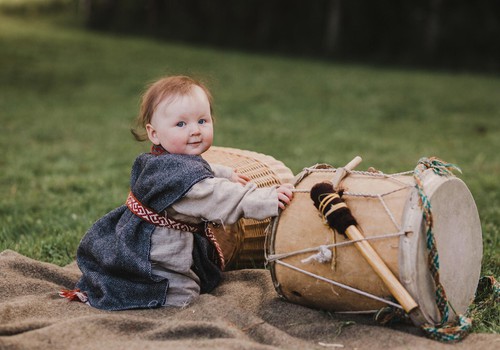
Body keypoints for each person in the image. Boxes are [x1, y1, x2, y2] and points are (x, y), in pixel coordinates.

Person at [61, 75, 294, 310]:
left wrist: (225, 173)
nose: (194, 131)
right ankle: (154, 300)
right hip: (154, 260)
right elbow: (222, 196)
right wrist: (268, 198)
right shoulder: (188, 185)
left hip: (135, 238)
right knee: (183, 294)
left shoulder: (159, 159)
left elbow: (200, 170)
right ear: (154, 133)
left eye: (202, 121)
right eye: (181, 124)